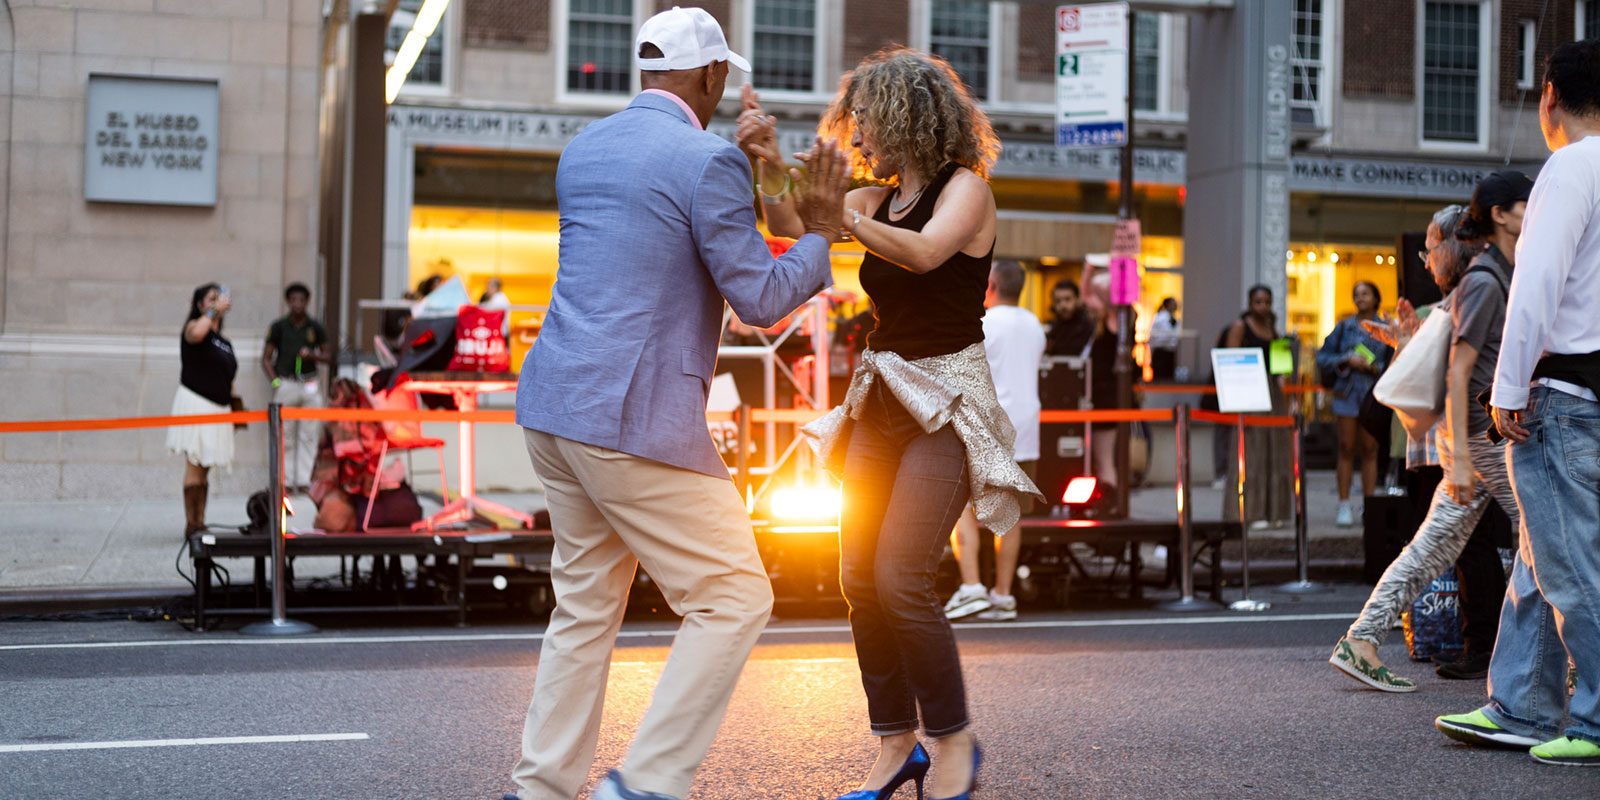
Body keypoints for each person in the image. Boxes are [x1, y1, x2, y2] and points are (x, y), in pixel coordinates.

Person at [505, 8, 848, 800]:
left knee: (585, 608)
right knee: (734, 596)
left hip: (556, 405)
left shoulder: (583, 150)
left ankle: (540, 789)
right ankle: (647, 783)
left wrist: (760, 176)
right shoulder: (705, 162)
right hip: (632, 418)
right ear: (715, 76)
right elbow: (761, 299)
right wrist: (822, 234)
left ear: (645, 70)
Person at [753, 46, 1041, 800]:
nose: (857, 138)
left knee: (901, 576)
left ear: (908, 117)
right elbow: (792, 222)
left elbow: (920, 254)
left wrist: (839, 218)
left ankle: (952, 742)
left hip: (944, 405)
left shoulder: (967, 191)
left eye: (867, 122)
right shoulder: (871, 198)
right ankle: (894, 745)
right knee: (856, 578)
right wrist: (765, 160)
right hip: (879, 401)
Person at [1438, 39, 1600, 766]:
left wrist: (1505, 391)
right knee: (1541, 561)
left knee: (1568, 567)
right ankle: (1523, 705)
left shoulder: (1569, 168)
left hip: (1559, 395)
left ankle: (1592, 720)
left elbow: (1535, 288)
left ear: (1549, 97)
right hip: (1591, 390)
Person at [1327, 199, 1522, 691]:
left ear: (1455, 242)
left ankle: (1363, 637)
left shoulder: (1470, 286)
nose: (1427, 260)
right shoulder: (1478, 284)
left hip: (1471, 438)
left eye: (1430, 250)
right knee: (1543, 541)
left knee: (1434, 546)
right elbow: (1457, 371)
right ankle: (1554, 667)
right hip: (1482, 436)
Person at [944, 260, 1046, 623]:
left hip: (987, 425)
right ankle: (1003, 595)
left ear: (991, 284)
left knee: (964, 508)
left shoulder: (983, 324)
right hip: (1026, 427)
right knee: (1011, 515)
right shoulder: (1035, 325)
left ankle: (972, 587)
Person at [1315, 281, 1393, 528]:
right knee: (1346, 447)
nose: (1361, 298)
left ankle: (1368, 505)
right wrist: (1347, 359)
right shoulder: (1344, 327)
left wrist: (1373, 367)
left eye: (1365, 294)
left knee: (1370, 449)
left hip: (1373, 393)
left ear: (1375, 298)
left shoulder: (1386, 328)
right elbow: (1322, 356)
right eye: (1357, 294)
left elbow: (1395, 361)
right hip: (1347, 393)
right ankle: (1344, 504)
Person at [167, 283, 237, 535]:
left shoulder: (223, 342)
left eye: (220, 299)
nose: (217, 302)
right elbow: (196, 334)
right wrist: (211, 313)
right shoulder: (194, 328)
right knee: (195, 464)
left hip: (219, 408)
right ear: (199, 305)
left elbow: (229, 376)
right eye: (211, 299)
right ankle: (192, 524)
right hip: (197, 404)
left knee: (205, 468)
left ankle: (200, 519)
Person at [1222, 285, 1293, 529]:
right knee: (1251, 451)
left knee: (1273, 450)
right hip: (1249, 390)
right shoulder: (1240, 327)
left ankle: (1273, 511)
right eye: (1258, 302)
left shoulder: (1272, 328)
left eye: (1266, 301)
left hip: (1272, 393)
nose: (1263, 306)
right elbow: (1230, 361)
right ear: (1250, 303)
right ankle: (1249, 512)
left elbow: (1280, 367)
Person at [262, 282, 329, 491]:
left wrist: (313, 355)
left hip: (308, 382)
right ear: (288, 302)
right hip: (287, 382)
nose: (298, 304)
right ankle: (287, 480)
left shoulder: (315, 327)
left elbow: (328, 355)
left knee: (309, 433)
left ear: (307, 301)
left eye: (301, 300)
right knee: (286, 434)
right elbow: (265, 358)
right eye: (294, 300)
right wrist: (275, 381)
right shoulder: (279, 327)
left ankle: (303, 479)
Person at [1044, 278, 1094, 357]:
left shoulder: (1089, 326)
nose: (1063, 305)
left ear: (1077, 299)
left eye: (1067, 299)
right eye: (1058, 301)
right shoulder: (1051, 328)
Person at [1148, 297, 1180, 381]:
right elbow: (1155, 337)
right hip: (1161, 352)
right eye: (1174, 303)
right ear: (1168, 305)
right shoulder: (1160, 318)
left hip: (1170, 352)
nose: (1176, 305)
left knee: (1169, 379)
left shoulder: (1174, 319)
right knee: (1160, 379)